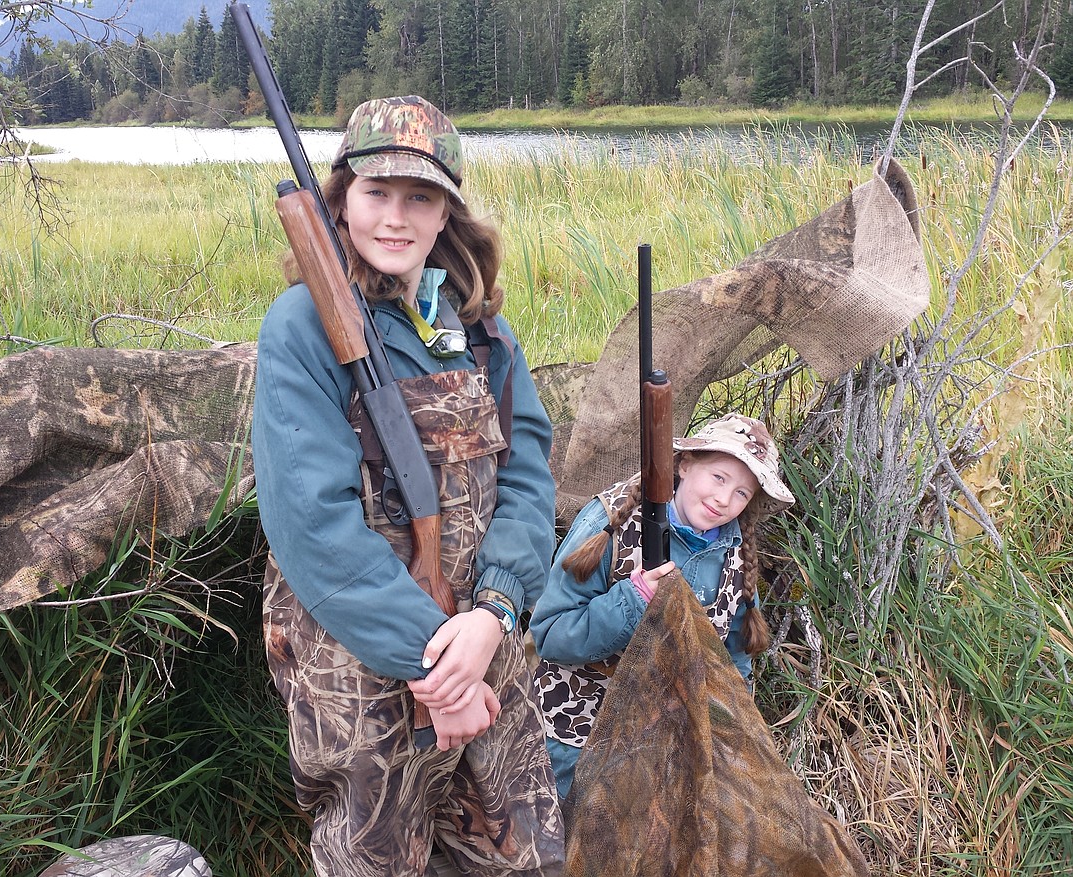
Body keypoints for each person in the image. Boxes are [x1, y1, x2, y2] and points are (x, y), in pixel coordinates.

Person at [251, 96, 564, 877]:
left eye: (418, 196)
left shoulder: (484, 332)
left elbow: (527, 477)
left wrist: (493, 613)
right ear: (340, 201)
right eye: (375, 193)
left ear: (446, 212)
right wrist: (433, 667)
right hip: (360, 666)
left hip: (484, 648)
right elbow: (313, 528)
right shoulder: (302, 329)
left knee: (517, 857)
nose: (395, 217)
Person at [530, 412, 795, 801]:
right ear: (685, 465)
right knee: (562, 852)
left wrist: (733, 734)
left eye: (742, 492)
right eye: (718, 477)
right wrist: (633, 599)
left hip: (661, 746)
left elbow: (733, 664)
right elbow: (550, 634)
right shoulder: (609, 526)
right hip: (575, 733)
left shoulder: (737, 553)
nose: (724, 500)